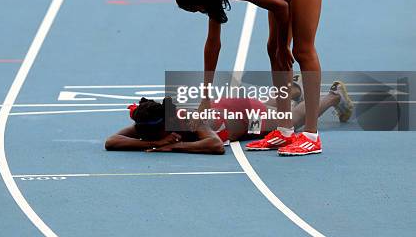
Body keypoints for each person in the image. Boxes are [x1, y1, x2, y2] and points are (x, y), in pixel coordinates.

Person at [174, 0, 328, 155]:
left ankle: (312, 136)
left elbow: (281, 7)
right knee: (271, 49)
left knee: (301, 50)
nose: (199, 12)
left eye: (195, 8)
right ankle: (285, 130)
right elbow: (213, 45)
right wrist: (205, 98)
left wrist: (284, 45)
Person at [105, 78, 352, 155]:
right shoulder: (150, 124)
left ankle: (333, 96)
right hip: (231, 108)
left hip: (243, 115)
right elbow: (111, 141)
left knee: (290, 119)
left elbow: (215, 145)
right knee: (267, 104)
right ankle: (293, 88)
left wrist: (175, 146)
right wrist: (153, 143)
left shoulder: (187, 122)